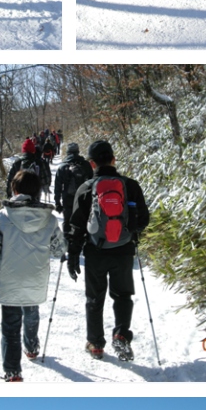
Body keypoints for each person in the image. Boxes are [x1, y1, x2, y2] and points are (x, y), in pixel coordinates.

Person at [0, 169, 64, 382]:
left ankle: (13, 372)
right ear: (37, 193)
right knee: (31, 312)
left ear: (14, 189)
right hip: (35, 278)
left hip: (11, 280)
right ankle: (31, 348)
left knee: (10, 327)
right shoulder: (49, 219)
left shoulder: (2, 217)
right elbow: (59, 250)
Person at [65, 139, 150, 361]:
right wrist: (131, 232)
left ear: (92, 164)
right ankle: (121, 335)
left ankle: (95, 344)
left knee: (94, 298)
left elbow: (75, 225)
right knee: (123, 295)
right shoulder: (130, 185)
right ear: (113, 159)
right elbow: (144, 218)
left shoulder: (85, 188)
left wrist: (73, 255)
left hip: (95, 251)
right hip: (123, 250)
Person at [53, 142, 93, 235]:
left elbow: (57, 187)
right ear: (78, 151)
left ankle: (67, 241)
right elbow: (92, 182)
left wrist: (57, 203)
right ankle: (81, 242)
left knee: (67, 221)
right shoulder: (86, 165)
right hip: (83, 198)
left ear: (67, 152)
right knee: (83, 220)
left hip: (68, 198)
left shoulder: (63, 167)